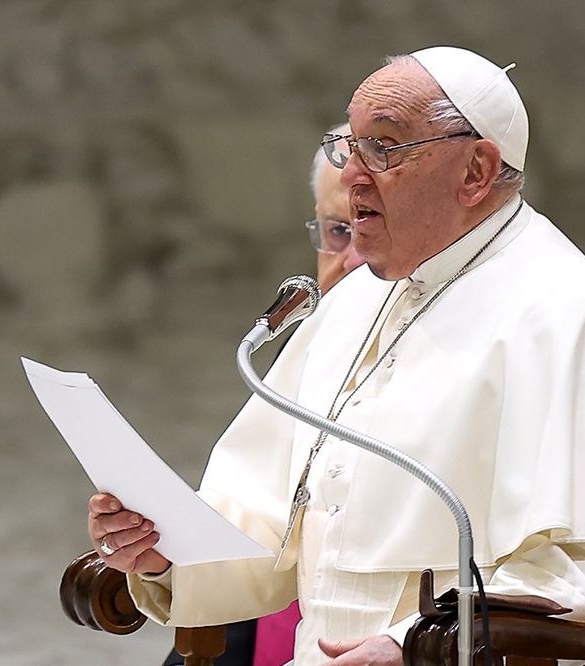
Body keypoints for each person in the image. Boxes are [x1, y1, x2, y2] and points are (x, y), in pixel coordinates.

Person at [88, 47, 585, 666]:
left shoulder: (572, 314)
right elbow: (268, 527)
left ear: (477, 172)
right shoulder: (354, 304)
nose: (350, 176)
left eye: (385, 147)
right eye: (348, 147)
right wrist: (163, 551)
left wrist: (416, 647)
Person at [160, 123, 365, 666]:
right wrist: (157, 549)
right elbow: (256, 522)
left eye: (370, 226)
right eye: (336, 231)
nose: (352, 260)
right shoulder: (316, 345)